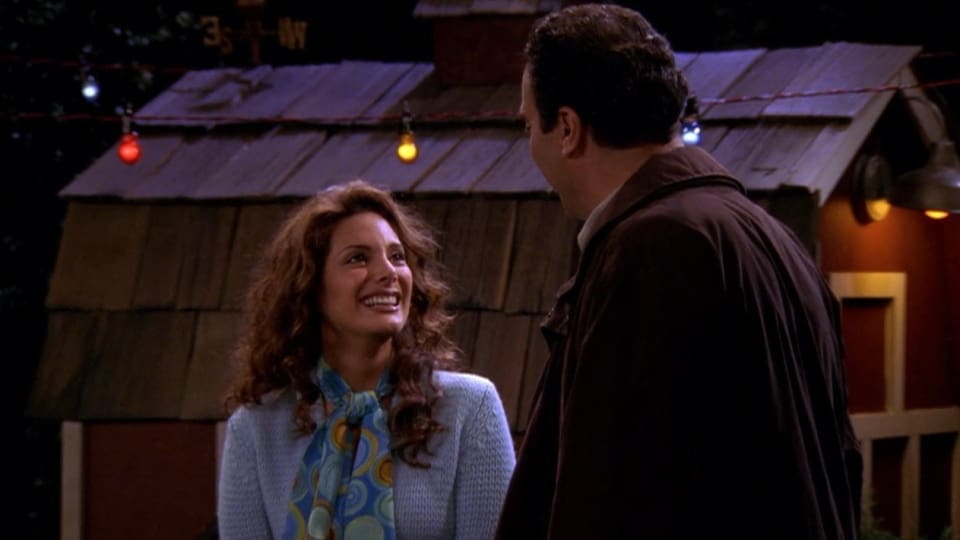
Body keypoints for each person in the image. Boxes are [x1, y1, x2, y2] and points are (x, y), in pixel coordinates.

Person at [495, 4, 862, 539]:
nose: (530, 142)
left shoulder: (653, 249)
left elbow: (616, 492)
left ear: (568, 129)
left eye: (530, 124)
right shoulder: (774, 238)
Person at [217, 180, 516, 540]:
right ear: (309, 286)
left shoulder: (469, 408)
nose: (388, 273)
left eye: (397, 257)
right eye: (358, 258)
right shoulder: (255, 428)